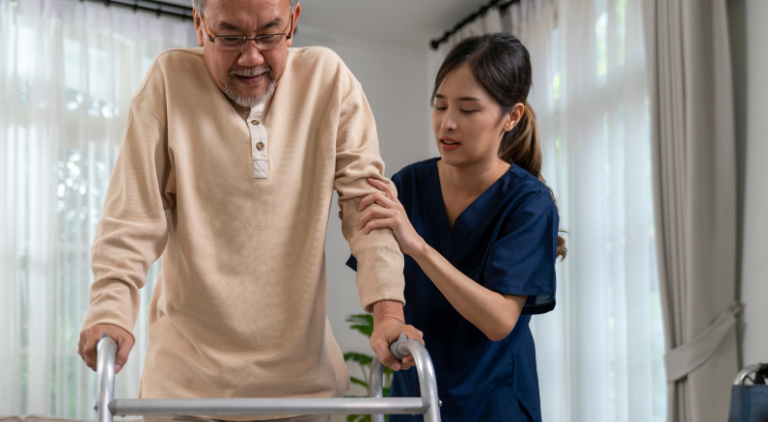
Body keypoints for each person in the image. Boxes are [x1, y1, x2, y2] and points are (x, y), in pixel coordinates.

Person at [75, 0, 422, 421]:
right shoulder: (168, 82)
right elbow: (130, 218)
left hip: (303, 391)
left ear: (293, 22)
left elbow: (368, 208)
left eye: (269, 34)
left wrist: (388, 313)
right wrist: (111, 311)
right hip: (186, 392)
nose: (251, 56)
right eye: (231, 36)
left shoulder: (329, 80)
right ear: (199, 25)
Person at [346, 33, 566, 422]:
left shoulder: (528, 204)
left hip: (493, 406)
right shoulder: (409, 185)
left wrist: (419, 247)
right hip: (414, 400)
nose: (447, 123)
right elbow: (376, 267)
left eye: (468, 109)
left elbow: (499, 320)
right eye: (440, 105)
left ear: (511, 117)